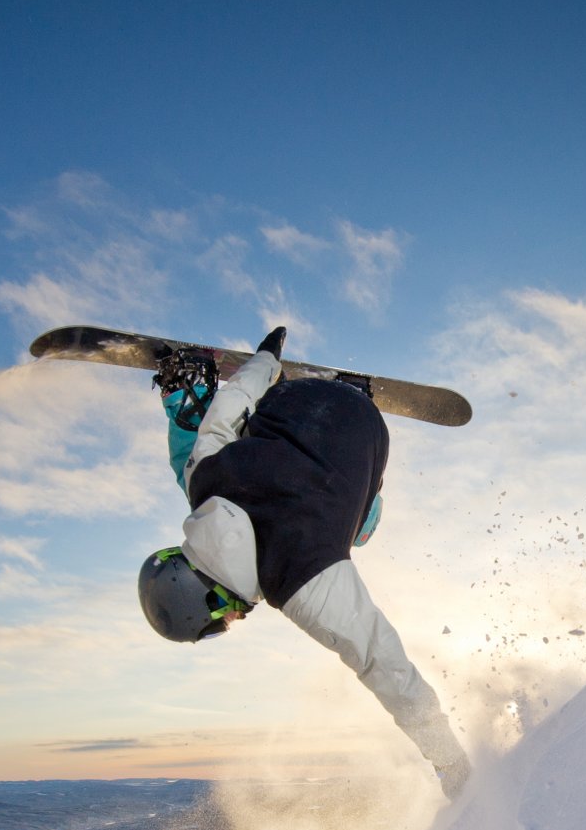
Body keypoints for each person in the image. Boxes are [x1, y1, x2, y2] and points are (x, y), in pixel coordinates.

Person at [136, 326, 471, 798]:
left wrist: (449, 759)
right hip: (295, 398)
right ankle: (186, 386)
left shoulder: (301, 580)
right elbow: (227, 411)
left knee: (361, 529)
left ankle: (354, 395)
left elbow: (385, 665)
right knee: (195, 454)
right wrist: (267, 360)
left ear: (210, 597)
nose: (232, 622)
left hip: (365, 423)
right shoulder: (203, 482)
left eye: (219, 623)